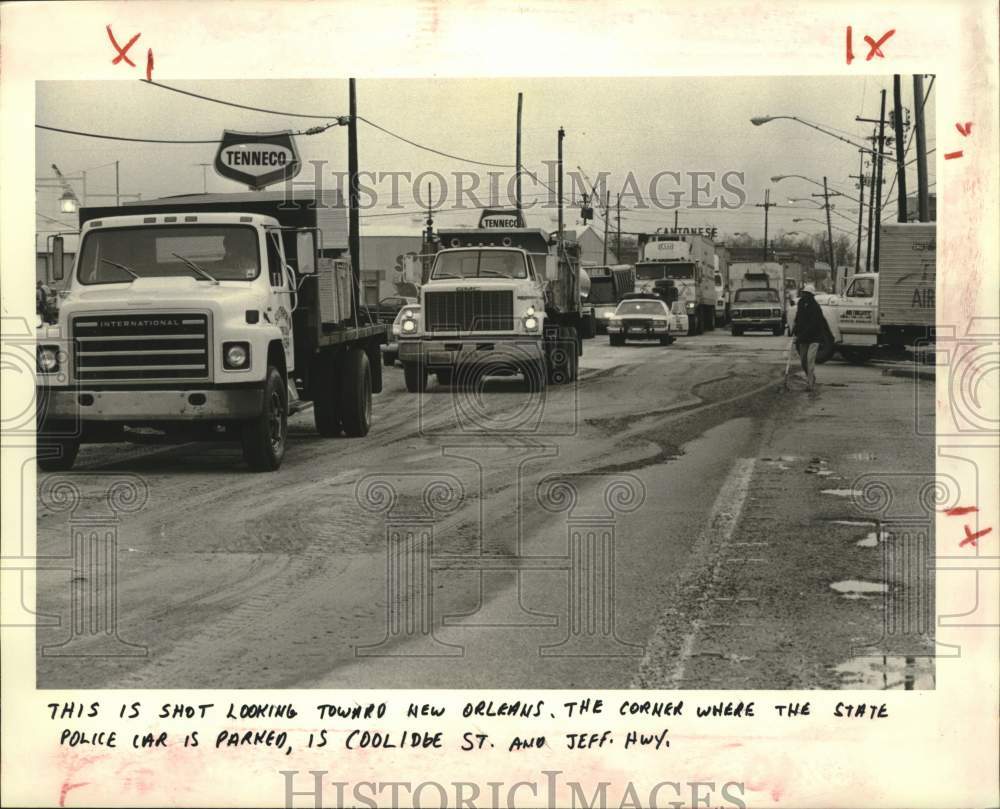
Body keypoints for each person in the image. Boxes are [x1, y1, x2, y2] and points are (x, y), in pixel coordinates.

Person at [791, 283, 833, 393]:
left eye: (807, 294)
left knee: (810, 361)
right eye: (803, 293)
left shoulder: (815, 308)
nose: (804, 295)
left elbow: (813, 326)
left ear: (811, 295)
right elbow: (798, 318)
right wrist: (795, 328)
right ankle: (811, 377)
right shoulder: (800, 303)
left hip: (814, 337)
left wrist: (800, 336)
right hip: (803, 338)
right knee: (803, 361)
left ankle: (810, 384)